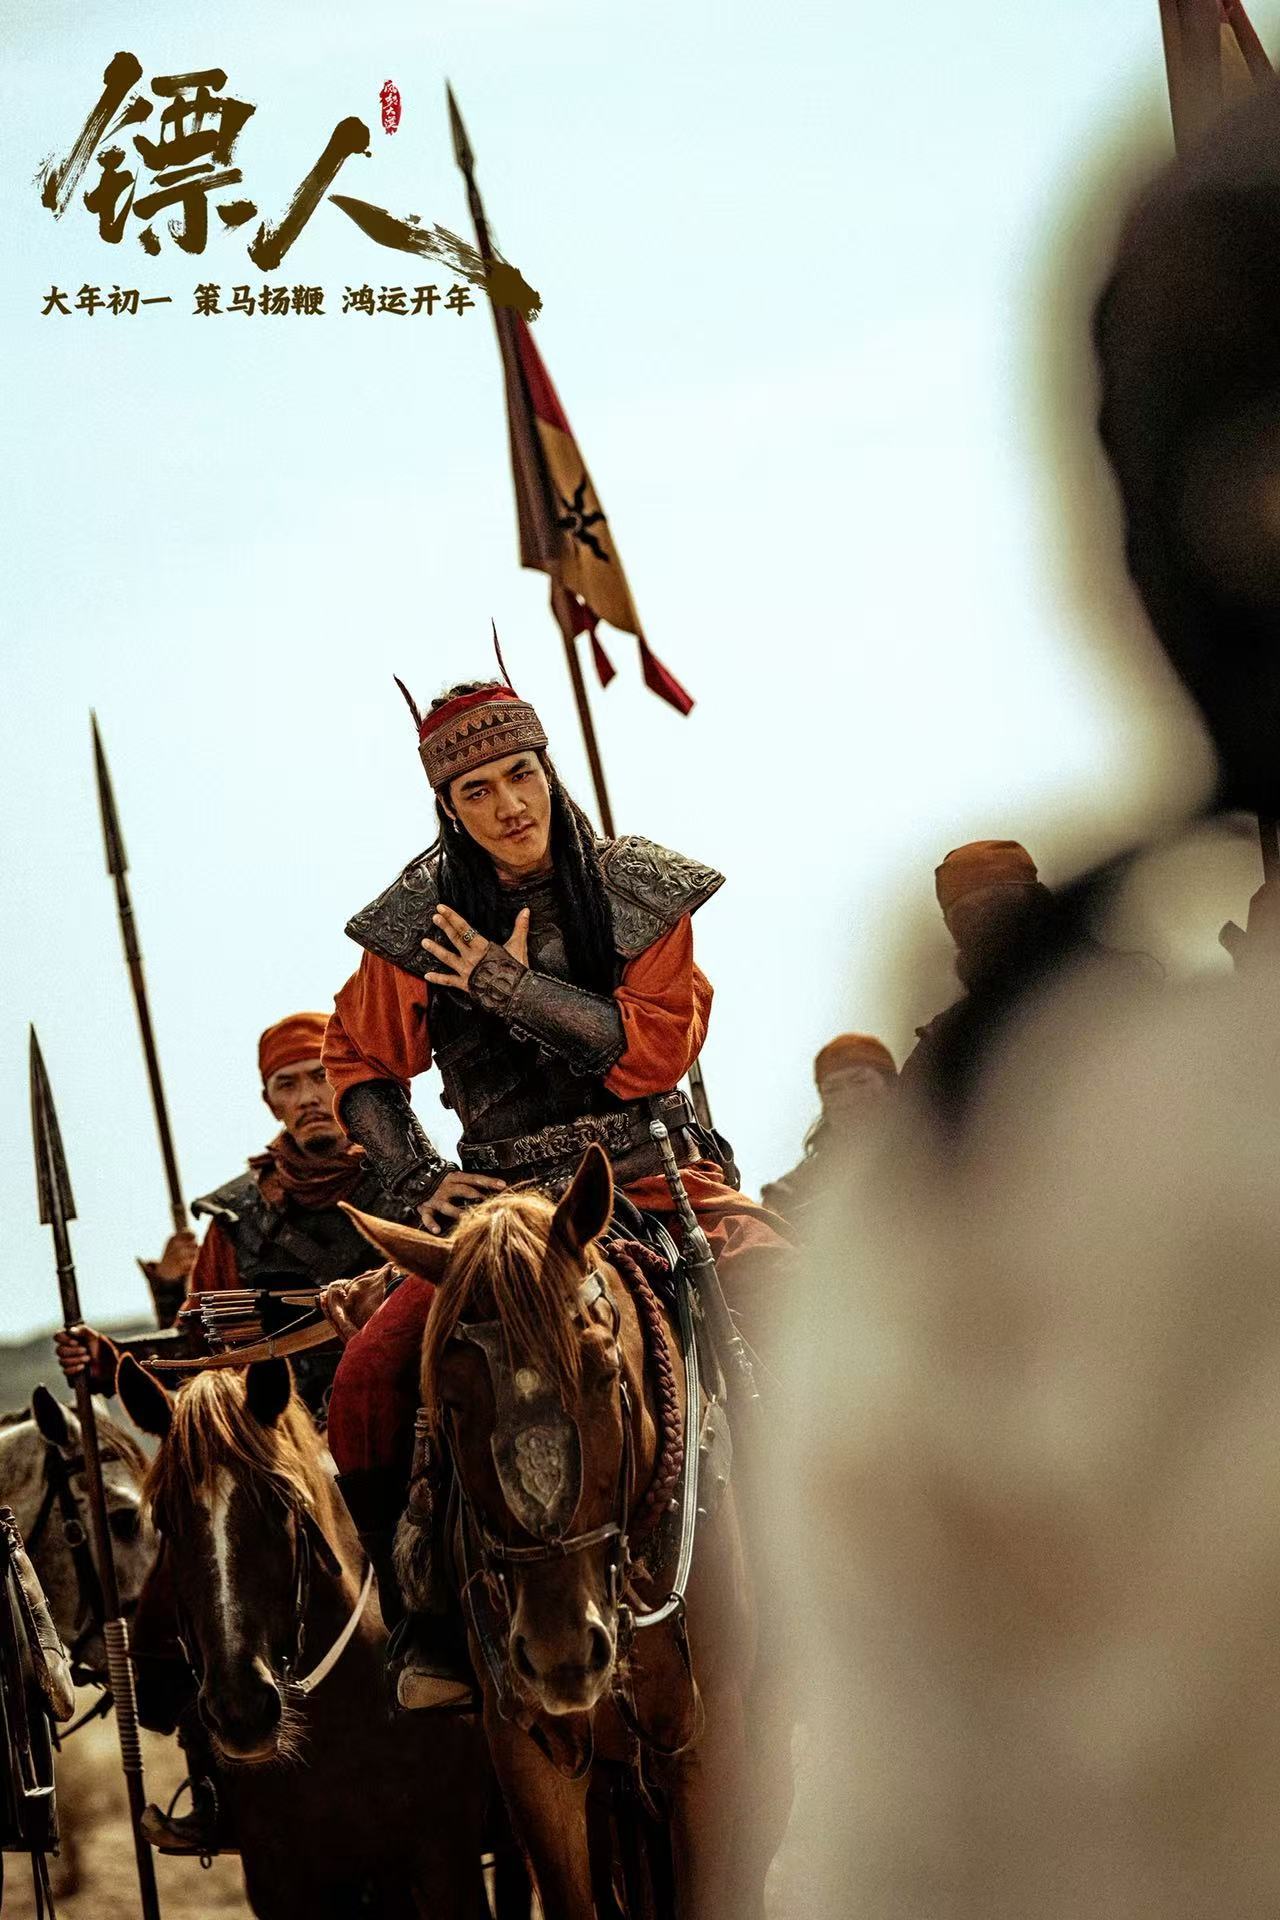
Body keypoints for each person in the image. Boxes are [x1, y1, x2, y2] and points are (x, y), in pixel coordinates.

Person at [320, 671, 793, 1707]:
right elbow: (355, 1062)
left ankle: (829, 1578)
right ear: (449, 806)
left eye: (520, 774)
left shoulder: (636, 889)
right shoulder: (415, 924)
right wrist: (416, 1179)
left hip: (652, 1177)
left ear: (547, 769)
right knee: (364, 1379)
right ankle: (427, 1622)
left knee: (792, 1300)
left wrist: (505, 985)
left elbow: (651, 1056)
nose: (508, 805)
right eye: (477, 790)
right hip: (502, 1211)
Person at [54, 1010, 415, 1856]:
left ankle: (510, 1745)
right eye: (288, 1083)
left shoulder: (408, 1185)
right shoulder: (233, 1222)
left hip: (399, 1434)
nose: (308, 1096)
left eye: (320, 1075)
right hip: (263, 1454)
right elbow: (197, 1357)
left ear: (350, 1079)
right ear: (269, 1101)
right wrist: (108, 1364)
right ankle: (215, 1782)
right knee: (174, 1610)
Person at [898, 840, 1052, 1094]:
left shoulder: (1109, 992)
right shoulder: (943, 1049)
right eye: (967, 915)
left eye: (1000, 905)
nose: (986, 923)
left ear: (1037, 903)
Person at [762, 1033, 897, 1228]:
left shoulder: (925, 1144)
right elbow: (776, 1204)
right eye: (833, 1090)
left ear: (891, 1084)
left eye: (859, 1081)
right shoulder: (817, 1171)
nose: (848, 1099)